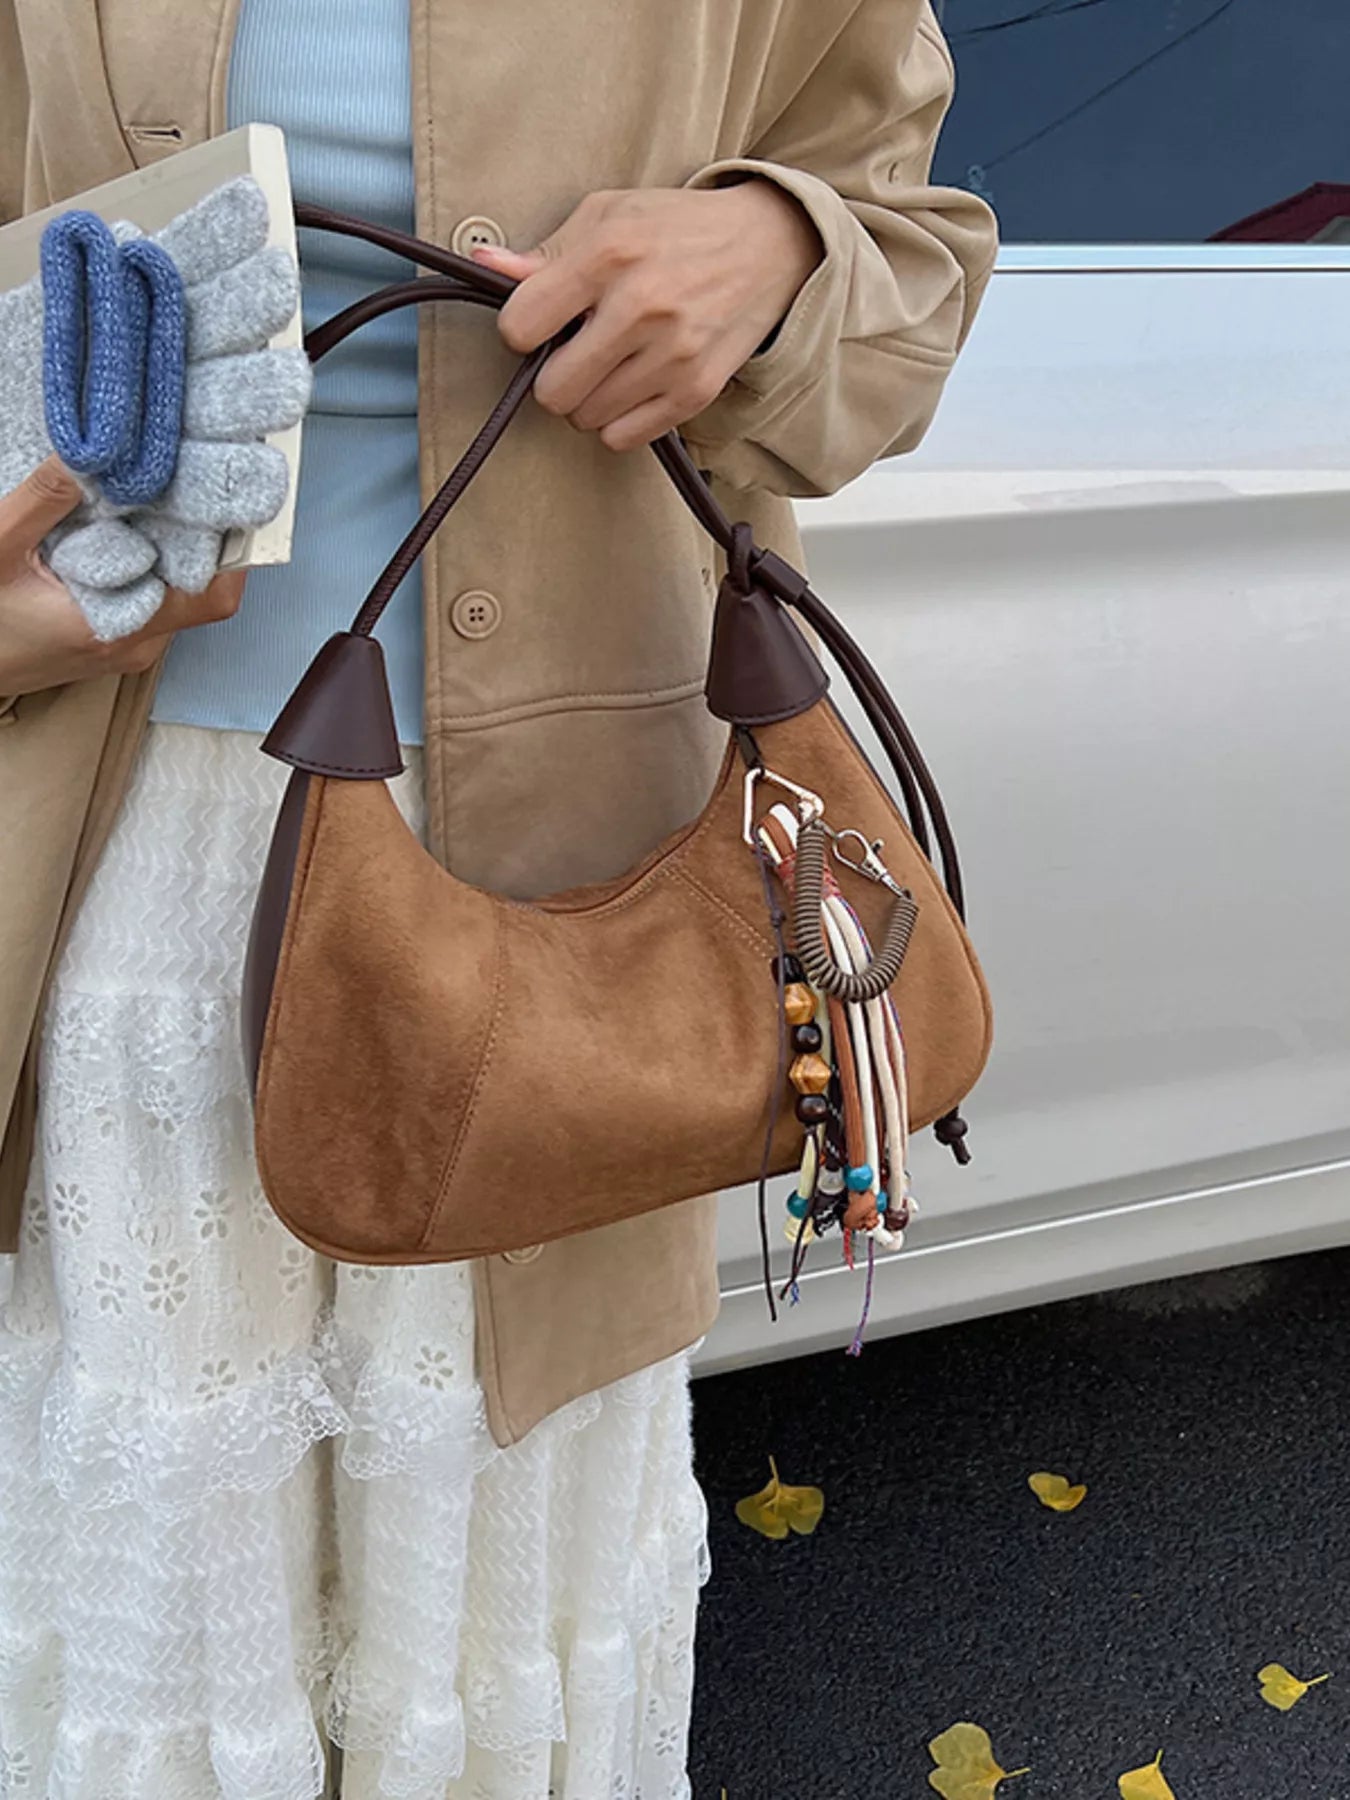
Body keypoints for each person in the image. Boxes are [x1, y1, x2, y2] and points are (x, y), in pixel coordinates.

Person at [0, 0, 998, 1794]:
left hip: (565, 901)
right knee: (173, 1575)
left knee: (475, 1554)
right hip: (131, 871)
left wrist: (771, 242)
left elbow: (908, 254)